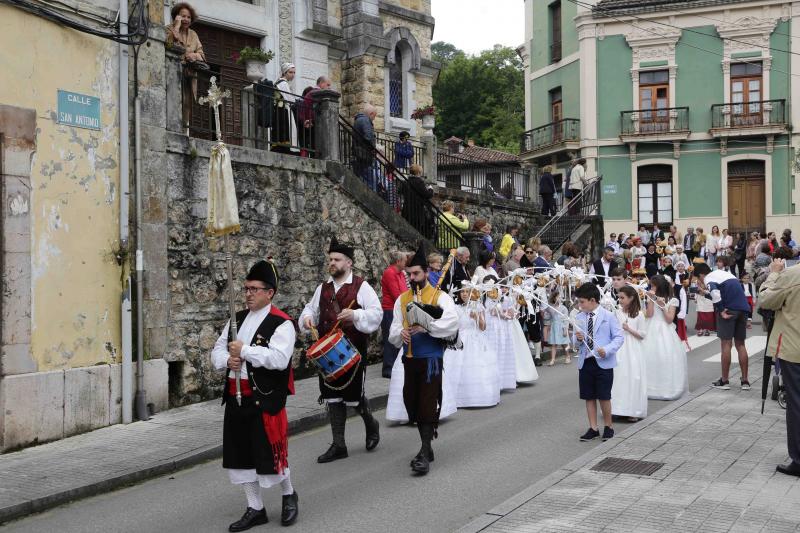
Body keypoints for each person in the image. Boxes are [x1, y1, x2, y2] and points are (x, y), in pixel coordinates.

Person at [211, 260, 299, 530]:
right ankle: (255, 507)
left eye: (254, 289)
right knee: (240, 454)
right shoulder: (236, 319)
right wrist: (228, 361)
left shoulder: (282, 323)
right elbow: (217, 349)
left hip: (265, 398)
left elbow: (279, 359)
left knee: (270, 454)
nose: (248, 294)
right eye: (246, 288)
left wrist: (245, 352)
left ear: (269, 292)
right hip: (237, 395)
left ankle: (288, 494)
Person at [299, 237, 383, 463]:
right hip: (328, 353)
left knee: (353, 398)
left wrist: (355, 315)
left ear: (349, 263)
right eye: (330, 259)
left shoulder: (361, 286)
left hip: (353, 351)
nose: (332, 263)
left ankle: (371, 423)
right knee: (332, 398)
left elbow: (376, 314)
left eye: (337, 259)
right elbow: (310, 310)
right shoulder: (323, 288)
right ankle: (339, 445)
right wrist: (307, 319)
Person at [388, 244, 459, 475]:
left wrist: (428, 326)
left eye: (416, 273)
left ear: (426, 273)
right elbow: (394, 329)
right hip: (410, 359)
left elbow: (452, 323)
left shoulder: (440, 297)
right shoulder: (402, 299)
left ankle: (424, 450)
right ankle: (426, 449)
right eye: (409, 274)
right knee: (412, 402)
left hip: (431, 360)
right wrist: (402, 333)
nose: (412, 277)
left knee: (427, 404)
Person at [758, 259, 800, 477]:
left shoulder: (792, 274)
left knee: (796, 404)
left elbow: (765, 300)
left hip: (795, 348)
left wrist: (773, 274)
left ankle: (799, 459)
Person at [573, 283, 624, 442]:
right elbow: (574, 342)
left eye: (582, 302)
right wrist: (578, 339)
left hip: (603, 361)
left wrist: (607, 349)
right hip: (585, 362)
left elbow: (619, 337)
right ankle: (593, 428)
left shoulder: (608, 316)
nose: (579, 305)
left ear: (593, 300)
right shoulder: (579, 317)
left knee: (604, 396)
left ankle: (608, 426)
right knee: (589, 396)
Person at [696, 262, 752, 391]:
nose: (701, 282)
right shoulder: (725, 274)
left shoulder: (709, 278)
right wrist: (705, 293)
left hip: (728, 310)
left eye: (699, 279)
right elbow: (724, 293)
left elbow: (715, 293)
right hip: (743, 309)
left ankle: (725, 380)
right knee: (741, 344)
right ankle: (745, 381)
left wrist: (721, 310)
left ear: (701, 275)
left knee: (726, 344)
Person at [452, 285, 500, 407]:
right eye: (462, 291)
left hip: (475, 339)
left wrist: (477, 317)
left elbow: (483, 327)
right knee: (458, 367)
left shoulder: (478, 307)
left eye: (467, 291)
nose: (464, 294)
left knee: (477, 365)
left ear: (472, 293)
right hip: (460, 340)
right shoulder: (455, 308)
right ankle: (458, 398)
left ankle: (478, 396)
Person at [643, 275, 688, 400]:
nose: (651, 287)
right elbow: (650, 314)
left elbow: (669, 319)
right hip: (650, 327)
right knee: (649, 356)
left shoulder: (672, 300)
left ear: (659, 286)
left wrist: (662, 306)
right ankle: (648, 387)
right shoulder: (650, 297)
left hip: (664, 330)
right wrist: (650, 300)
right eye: (650, 285)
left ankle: (666, 387)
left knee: (665, 356)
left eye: (653, 285)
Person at [166, 2, 206, 129]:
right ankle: (171, 126)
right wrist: (176, 27)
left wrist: (194, 56)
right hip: (172, 72)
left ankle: (184, 128)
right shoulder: (168, 29)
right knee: (172, 100)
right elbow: (168, 44)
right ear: (177, 16)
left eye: (188, 17)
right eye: (183, 16)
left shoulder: (194, 34)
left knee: (186, 103)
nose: (186, 19)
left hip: (189, 74)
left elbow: (202, 56)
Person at [610, 285, 648, 422]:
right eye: (618, 297)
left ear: (631, 298)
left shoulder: (639, 314)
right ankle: (618, 408)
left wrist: (629, 329)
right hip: (620, 348)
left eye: (622, 298)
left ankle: (633, 410)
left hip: (633, 349)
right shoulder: (617, 312)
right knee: (619, 376)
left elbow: (642, 335)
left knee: (633, 377)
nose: (619, 300)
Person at [380, 251, 408, 378]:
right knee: (390, 338)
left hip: (399, 308)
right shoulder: (390, 273)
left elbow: (405, 291)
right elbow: (396, 294)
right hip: (390, 309)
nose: (406, 262)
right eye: (404, 260)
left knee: (398, 336)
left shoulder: (401, 273)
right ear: (398, 261)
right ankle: (388, 368)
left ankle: (396, 365)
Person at [272, 63, 300, 154]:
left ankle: (280, 147)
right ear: (285, 72)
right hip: (282, 110)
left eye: (294, 72)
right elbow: (290, 99)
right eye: (290, 72)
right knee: (284, 129)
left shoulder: (279, 82)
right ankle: (284, 148)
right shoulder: (283, 83)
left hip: (279, 109)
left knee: (280, 129)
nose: (293, 75)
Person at [401, 164, 434, 238]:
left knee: (408, 229)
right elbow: (428, 195)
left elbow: (401, 192)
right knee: (417, 231)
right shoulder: (419, 181)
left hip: (406, 209)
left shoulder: (406, 181)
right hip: (417, 210)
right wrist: (430, 189)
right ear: (418, 172)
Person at [351, 104, 377, 183]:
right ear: (371, 114)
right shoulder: (365, 120)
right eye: (374, 116)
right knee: (371, 183)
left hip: (359, 154)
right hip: (365, 156)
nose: (374, 119)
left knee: (363, 180)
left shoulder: (358, 120)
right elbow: (368, 137)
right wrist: (373, 148)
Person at [544, 291, 570, 366]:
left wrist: (565, 329)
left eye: (560, 297)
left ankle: (567, 356)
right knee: (553, 344)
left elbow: (566, 319)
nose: (559, 298)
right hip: (554, 327)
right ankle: (552, 360)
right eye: (557, 297)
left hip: (562, 327)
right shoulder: (550, 307)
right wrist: (546, 311)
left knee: (565, 343)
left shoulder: (564, 308)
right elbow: (547, 317)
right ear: (554, 298)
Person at [694, 272, 717, 337]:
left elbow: (710, 292)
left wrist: (702, 290)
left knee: (709, 316)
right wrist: (695, 298)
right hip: (700, 299)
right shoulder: (697, 281)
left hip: (708, 300)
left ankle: (707, 329)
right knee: (700, 315)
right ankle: (700, 329)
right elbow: (696, 291)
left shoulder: (710, 282)